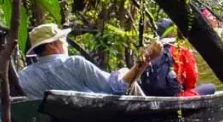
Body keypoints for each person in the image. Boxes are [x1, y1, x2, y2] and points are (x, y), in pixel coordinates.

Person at [18, 23, 161, 100]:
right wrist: (145, 59)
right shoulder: (74, 63)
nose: (66, 44)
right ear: (52, 45)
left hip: (54, 121)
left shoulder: (24, 75)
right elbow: (115, 88)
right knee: (126, 78)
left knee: (123, 75)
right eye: (63, 40)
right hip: (89, 115)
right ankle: (151, 110)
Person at [139, 19, 218, 97]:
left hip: (148, 94)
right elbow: (192, 80)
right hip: (175, 95)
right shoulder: (181, 50)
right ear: (172, 32)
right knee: (211, 87)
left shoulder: (149, 50)